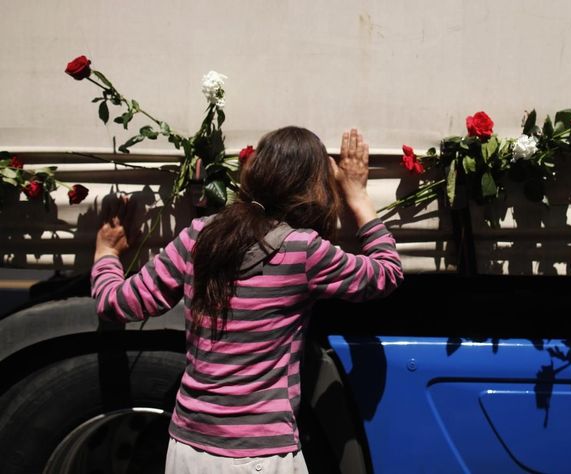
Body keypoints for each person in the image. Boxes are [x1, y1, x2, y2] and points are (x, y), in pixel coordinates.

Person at [91, 127, 403, 473]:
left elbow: (116, 304)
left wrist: (106, 253)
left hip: (187, 448)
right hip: (259, 454)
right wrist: (357, 196)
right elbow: (386, 274)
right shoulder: (303, 250)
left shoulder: (198, 235)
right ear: (314, 188)